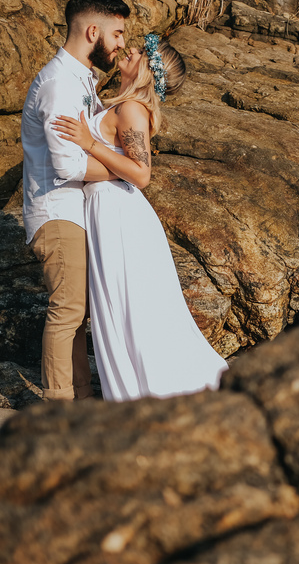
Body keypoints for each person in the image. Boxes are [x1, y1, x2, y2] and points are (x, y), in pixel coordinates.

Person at [53, 34, 228, 401]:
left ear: (148, 68)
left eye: (140, 51)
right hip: (107, 210)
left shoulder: (132, 108)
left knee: (135, 310)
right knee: (125, 309)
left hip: (119, 215)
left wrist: (89, 143)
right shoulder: (120, 103)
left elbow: (141, 173)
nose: (129, 50)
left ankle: (161, 392)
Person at [21, 0, 130, 401]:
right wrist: (127, 172)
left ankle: (82, 401)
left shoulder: (82, 80)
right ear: (92, 31)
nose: (121, 43)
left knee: (79, 313)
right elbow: (67, 166)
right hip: (57, 212)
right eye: (117, 33)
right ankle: (58, 406)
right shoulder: (57, 85)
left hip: (75, 212)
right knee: (67, 310)